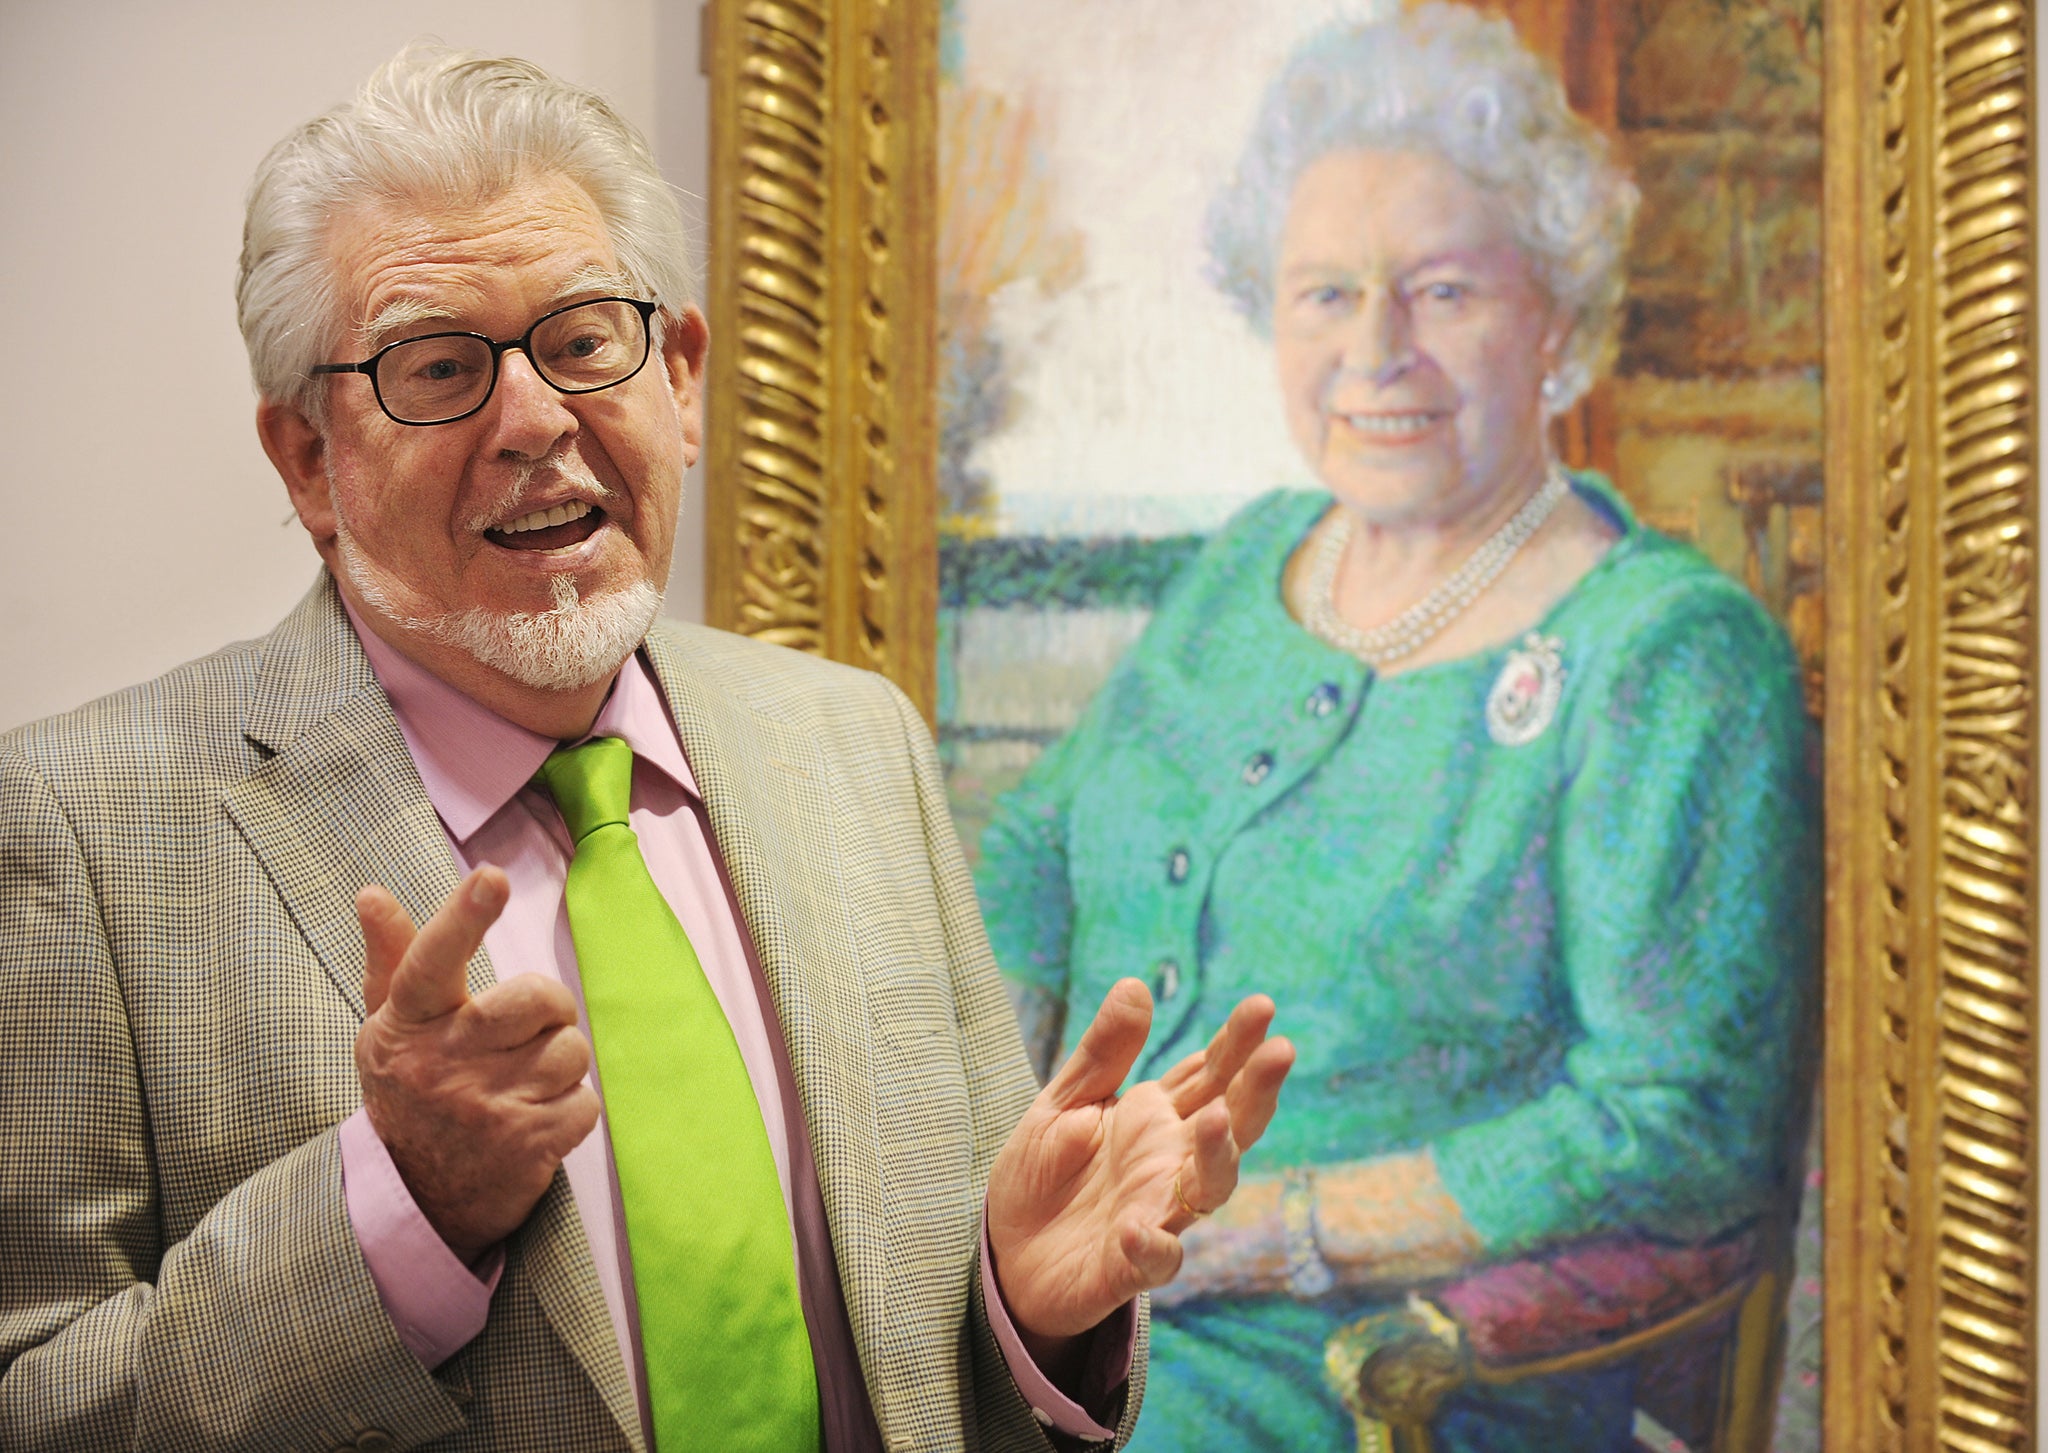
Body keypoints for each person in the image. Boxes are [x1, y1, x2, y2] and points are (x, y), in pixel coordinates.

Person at [0, 46, 1295, 1453]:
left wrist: (1034, 1314)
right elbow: (43, 1407)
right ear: (309, 459)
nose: (535, 422)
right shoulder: (82, 828)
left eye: (582, 342)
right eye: (438, 368)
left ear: (678, 378)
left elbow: (950, 1374)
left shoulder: (852, 741)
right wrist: (397, 1211)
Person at [974, 7, 1820, 1450]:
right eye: (1324, 295)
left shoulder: (1665, 656)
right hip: (1074, 1291)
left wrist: (1261, 1233)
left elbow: (1671, 1129)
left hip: (1368, 1375)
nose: (1377, 350)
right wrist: (990, 1152)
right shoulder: (1254, 564)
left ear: (1557, 320)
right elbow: (1039, 842)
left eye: (1439, 292)